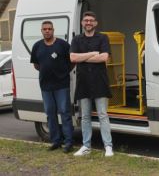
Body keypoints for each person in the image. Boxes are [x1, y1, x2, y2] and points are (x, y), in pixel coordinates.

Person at [70, 11, 114, 157]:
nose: (88, 23)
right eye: (85, 20)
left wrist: (83, 58)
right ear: (82, 23)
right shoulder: (76, 39)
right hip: (83, 82)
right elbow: (73, 57)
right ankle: (86, 146)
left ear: (95, 23)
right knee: (85, 116)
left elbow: (104, 57)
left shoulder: (103, 37)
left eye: (91, 20)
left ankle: (108, 146)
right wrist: (92, 54)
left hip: (100, 81)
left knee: (103, 115)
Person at [30, 21, 73, 153]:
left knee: (65, 113)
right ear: (41, 31)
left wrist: (64, 73)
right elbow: (36, 65)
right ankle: (56, 141)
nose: (47, 31)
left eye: (49, 29)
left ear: (53, 30)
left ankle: (68, 142)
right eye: (45, 29)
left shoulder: (63, 45)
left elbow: (72, 61)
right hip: (46, 86)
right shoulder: (37, 46)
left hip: (62, 85)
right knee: (50, 114)